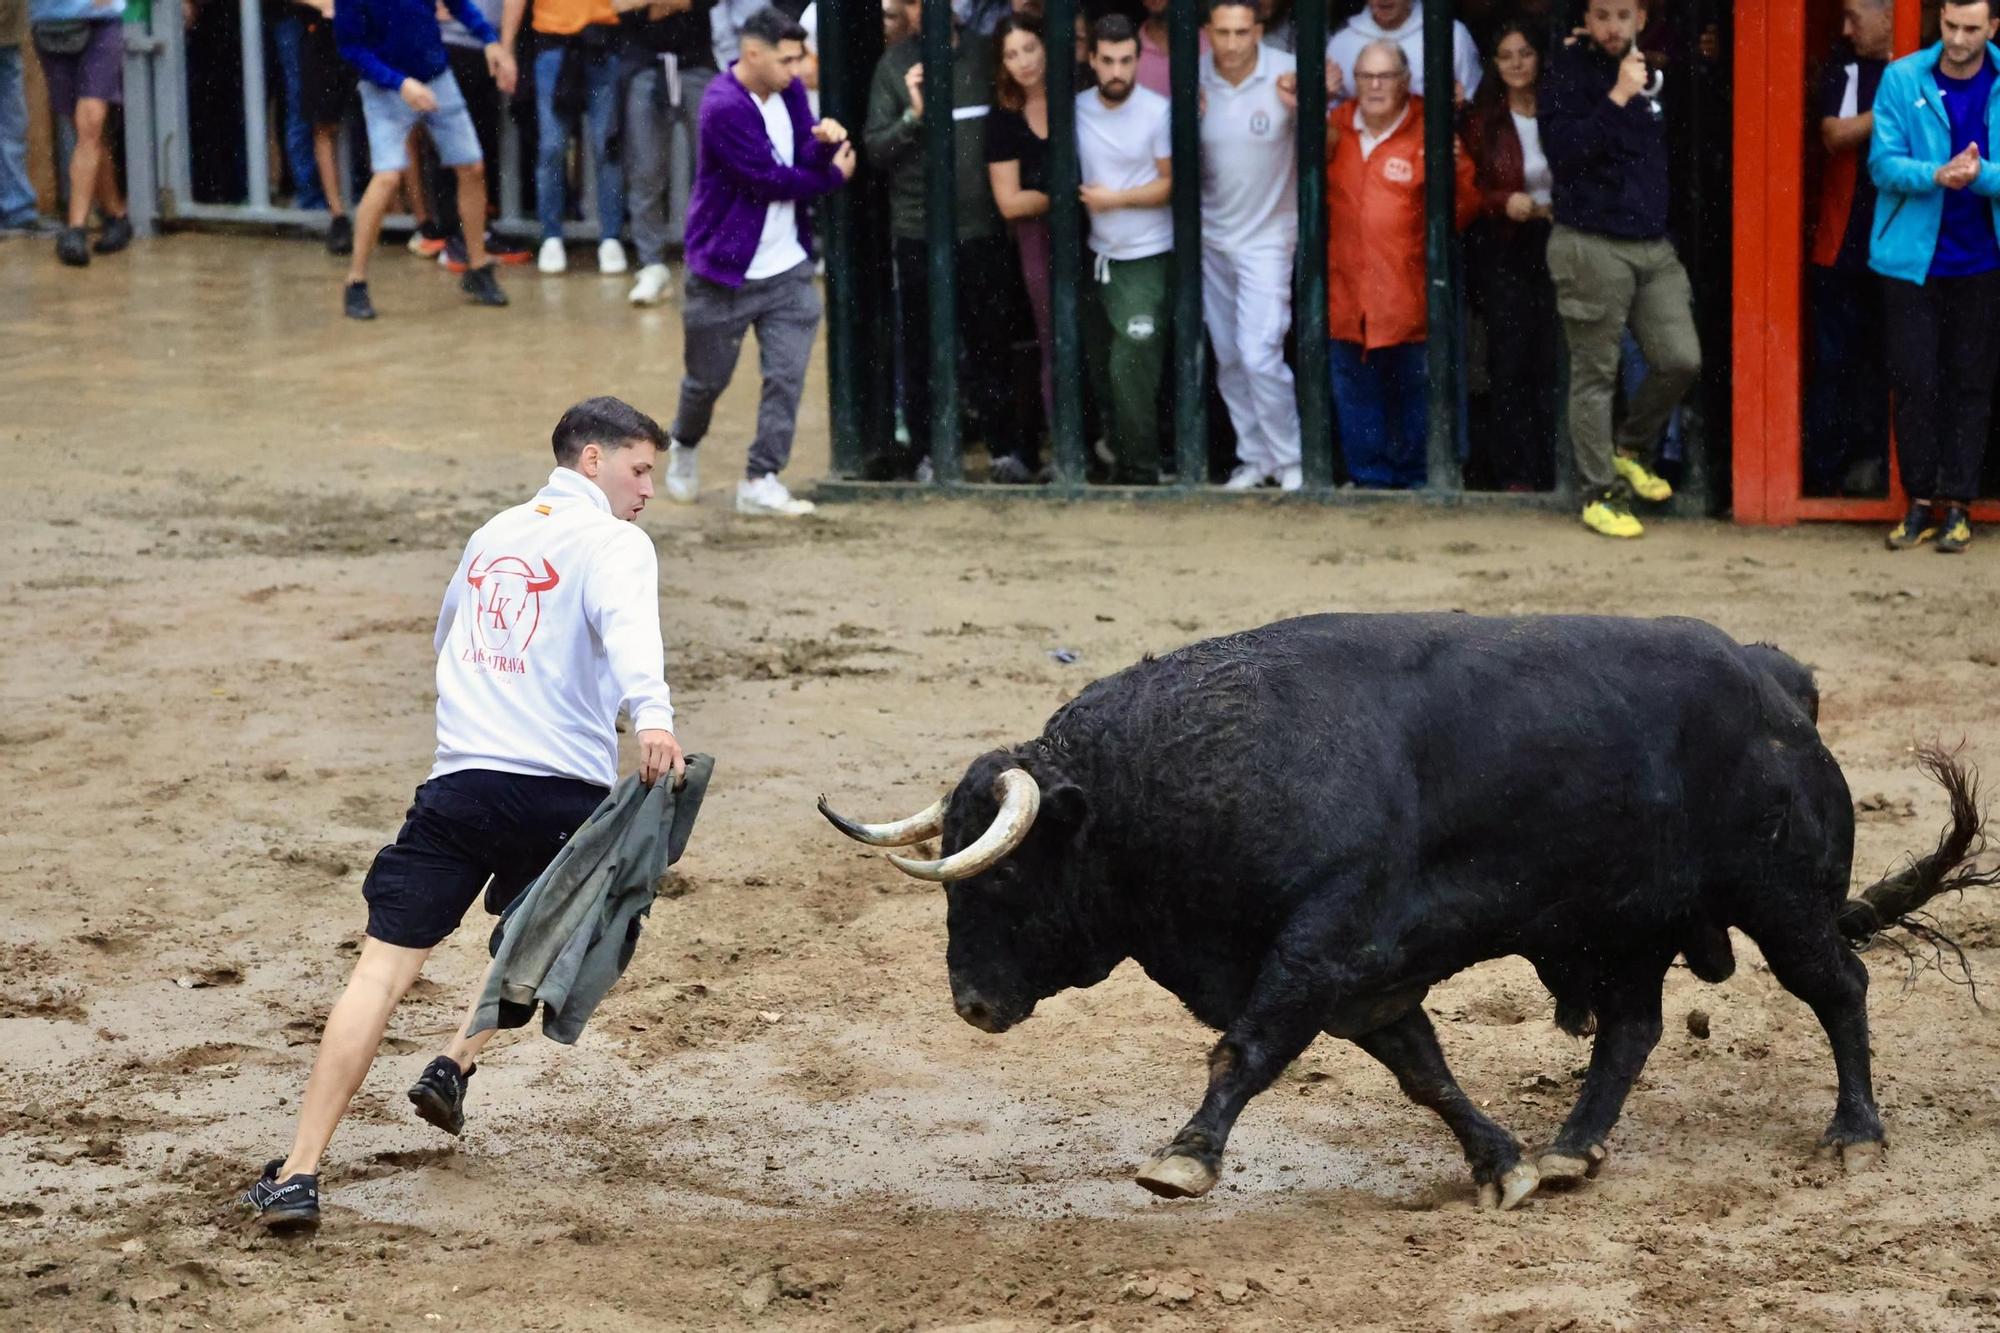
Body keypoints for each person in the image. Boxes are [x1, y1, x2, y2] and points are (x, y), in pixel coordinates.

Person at [241, 397, 686, 1233]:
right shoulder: (616, 542)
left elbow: (449, 635)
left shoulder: (492, 534)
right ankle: (456, 1056)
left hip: (464, 782)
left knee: (378, 972)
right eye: (639, 468)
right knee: (538, 938)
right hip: (564, 793)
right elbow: (629, 627)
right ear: (591, 459)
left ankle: (299, 1170)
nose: (648, 488)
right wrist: (651, 715)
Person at [669, 5, 854, 515]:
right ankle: (683, 443)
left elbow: (798, 158)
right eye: (788, 60)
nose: (798, 71)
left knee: (786, 377)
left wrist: (823, 144)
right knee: (705, 382)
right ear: (753, 54)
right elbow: (767, 181)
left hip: (786, 269)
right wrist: (834, 176)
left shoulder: (789, 90)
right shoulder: (722, 105)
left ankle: (761, 476)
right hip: (723, 274)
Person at [1540, 0, 1701, 538]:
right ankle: (1598, 494)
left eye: (1622, 15)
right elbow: (1564, 152)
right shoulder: (1567, 69)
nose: (1612, 27)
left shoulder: (1655, 68)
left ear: (1642, 16)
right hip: (1590, 241)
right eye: (1602, 15)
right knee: (1595, 375)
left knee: (1680, 359)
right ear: (1587, 17)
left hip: (1651, 243)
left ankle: (1631, 447)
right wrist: (1617, 97)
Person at [864, 0, 1035, 481]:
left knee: (991, 345)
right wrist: (914, 117)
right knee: (921, 349)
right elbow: (875, 147)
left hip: (982, 229)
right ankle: (927, 453)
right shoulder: (895, 65)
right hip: (918, 231)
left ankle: (1005, 450)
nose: (924, 10)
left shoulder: (985, 55)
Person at [1869, 0, 2000, 554]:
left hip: (1983, 260)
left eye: (1971, 28)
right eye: (1950, 26)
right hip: (1910, 260)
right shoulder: (1902, 77)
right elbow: (1881, 163)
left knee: (1971, 385)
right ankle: (1919, 502)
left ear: (1993, 28)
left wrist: (1978, 174)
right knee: (1914, 382)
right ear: (1938, 21)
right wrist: (1936, 174)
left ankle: (1960, 507)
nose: (1958, 39)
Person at [1325, 39, 1477, 489]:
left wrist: (1450, 175)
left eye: (1385, 76)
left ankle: (1415, 483)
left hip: (1408, 298)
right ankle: (1369, 482)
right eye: (1365, 76)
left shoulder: (1430, 128)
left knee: (1414, 398)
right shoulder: (1336, 125)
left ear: (1405, 81)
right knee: (1356, 394)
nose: (1374, 86)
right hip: (1346, 294)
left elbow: (1463, 212)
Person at [336, 0, 516, 318]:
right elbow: (351, 48)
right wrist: (400, 84)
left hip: (435, 74)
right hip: (384, 86)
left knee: (472, 166)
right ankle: (356, 281)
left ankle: (478, 268)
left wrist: (489, 40)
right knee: (388, 177)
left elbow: (460, 5)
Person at [1198, 0, 1302, 491]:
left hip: (1269, 237)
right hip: (1212, 237)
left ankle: (1291, 460)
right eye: (1224, 33)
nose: (1234, 44)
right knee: (1229, 357)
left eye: (1243, 32)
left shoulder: (1289, 75)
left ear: (1259, 31)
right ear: (1208, 33)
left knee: (1260, 353)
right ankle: (1256, 458)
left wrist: (1304, 110)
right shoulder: (1192, 78)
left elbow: (1324, 145)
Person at [1076, 15, 1173, 486]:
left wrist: (1114, 200)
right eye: (1108, 61)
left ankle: (1142, 469)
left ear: (1138, 59)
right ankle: (1117, 453)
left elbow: (1170, 183)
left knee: (1131, 361)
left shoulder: (1157, 111)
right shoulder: (1075, 108)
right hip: (1099, 255)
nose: (1118, 71)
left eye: (1126, 60)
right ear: (1092, 60)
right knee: (1101, 366)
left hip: (1148, 253)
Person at [1803, 0, 1892, 499]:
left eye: (1855, 17)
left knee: (1892, 362)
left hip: (1903, 241)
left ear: (1889, 15)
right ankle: (1826, 473)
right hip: (1841, 245)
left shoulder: (1918, 62)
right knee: (1837, 363)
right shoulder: (1846, 66)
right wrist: (1893, 109)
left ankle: (1883, 469)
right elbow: (1834, 133)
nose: (1845, 28)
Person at [1465, 20, 1557, 491]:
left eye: (1525, 53)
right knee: (1512, 360)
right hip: (1506, 244)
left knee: (1554, 358)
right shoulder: (1485, 118)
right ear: (1494, 65)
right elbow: (1467, 186)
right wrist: (1504, 200)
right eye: (1507, 56)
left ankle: (1553, 469)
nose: (1518, 63)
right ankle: (1517, 473)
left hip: (1558, 239)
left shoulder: (1562, 104)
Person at [503, 0, 628, 275]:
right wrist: (506, 49)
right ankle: (551, 235)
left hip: (605, 42)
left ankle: (610, 237)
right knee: (552, 147)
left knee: (606, 145)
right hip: (553, 44)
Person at [620, 0, 720, 305]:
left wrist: (654, 5)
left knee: (712, 169)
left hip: (697, 65)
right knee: (645, 170)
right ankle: (651, 264)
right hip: (645, 67)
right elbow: (618, 5)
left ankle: (709, 262)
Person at [425, 0, 535, 271]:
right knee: (453, 147)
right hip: (448, 42)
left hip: (485, 46)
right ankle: (454, 237)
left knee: (480, 145)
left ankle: (475, 233)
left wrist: (505, 46)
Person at [986, 15, 1055, 439]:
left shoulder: (1079, 94)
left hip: (1101, 230)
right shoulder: (1004, 118)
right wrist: (1069, 194)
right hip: (1037, 238)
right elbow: (1010, 203)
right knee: (1052, 341)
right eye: (1012, 54)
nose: (1024, 61)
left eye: (1029, 48)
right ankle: (1062, 441)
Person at [29, 0, 132, 266]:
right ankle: (116, 215)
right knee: (85, 131)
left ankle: (75, 230)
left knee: (90, 123)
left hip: (102, 22)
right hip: (50, 26)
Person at [1327, 0, 1480, 108]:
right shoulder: (1342, 43)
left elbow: (1474, 100)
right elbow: (1331, 113)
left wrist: (1462, 103)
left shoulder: (1450, 34)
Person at [294, 0, 359, 254]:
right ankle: (338, 215)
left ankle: (393, 210)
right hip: (320, 32)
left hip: (363, 30)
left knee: (378, 119)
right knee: (323, 126)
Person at [0, 0, 58, 236]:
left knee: (13, 126)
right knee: (12, 126)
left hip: (8, 32)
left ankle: (18, 211)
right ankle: (18, 210)